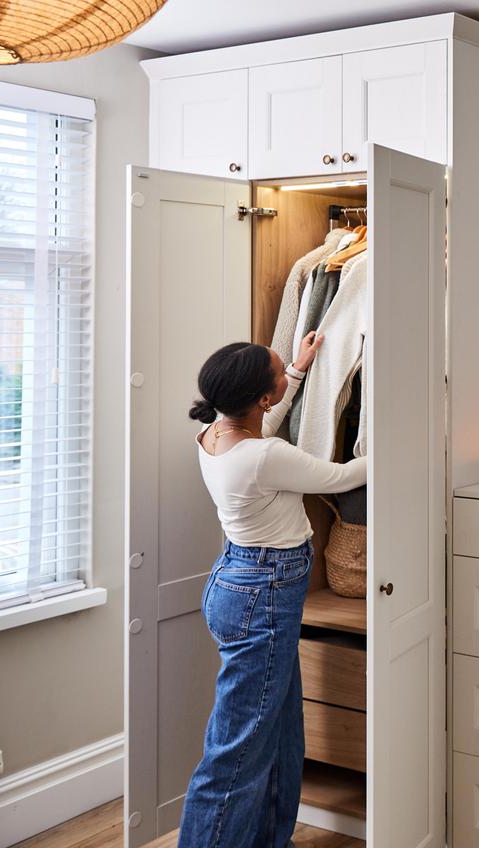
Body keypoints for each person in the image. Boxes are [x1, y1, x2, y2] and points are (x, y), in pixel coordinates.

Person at [178, 331, 366, 847]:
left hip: (240, 584)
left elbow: (265, 430)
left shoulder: (218, 433)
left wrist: (301, 369)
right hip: (264, 593)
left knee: (280, 730)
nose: (287, 372)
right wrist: (402, 440)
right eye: (281, 372)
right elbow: (342, 475)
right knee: (236, 749)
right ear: (262, 397)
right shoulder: (264, 456)